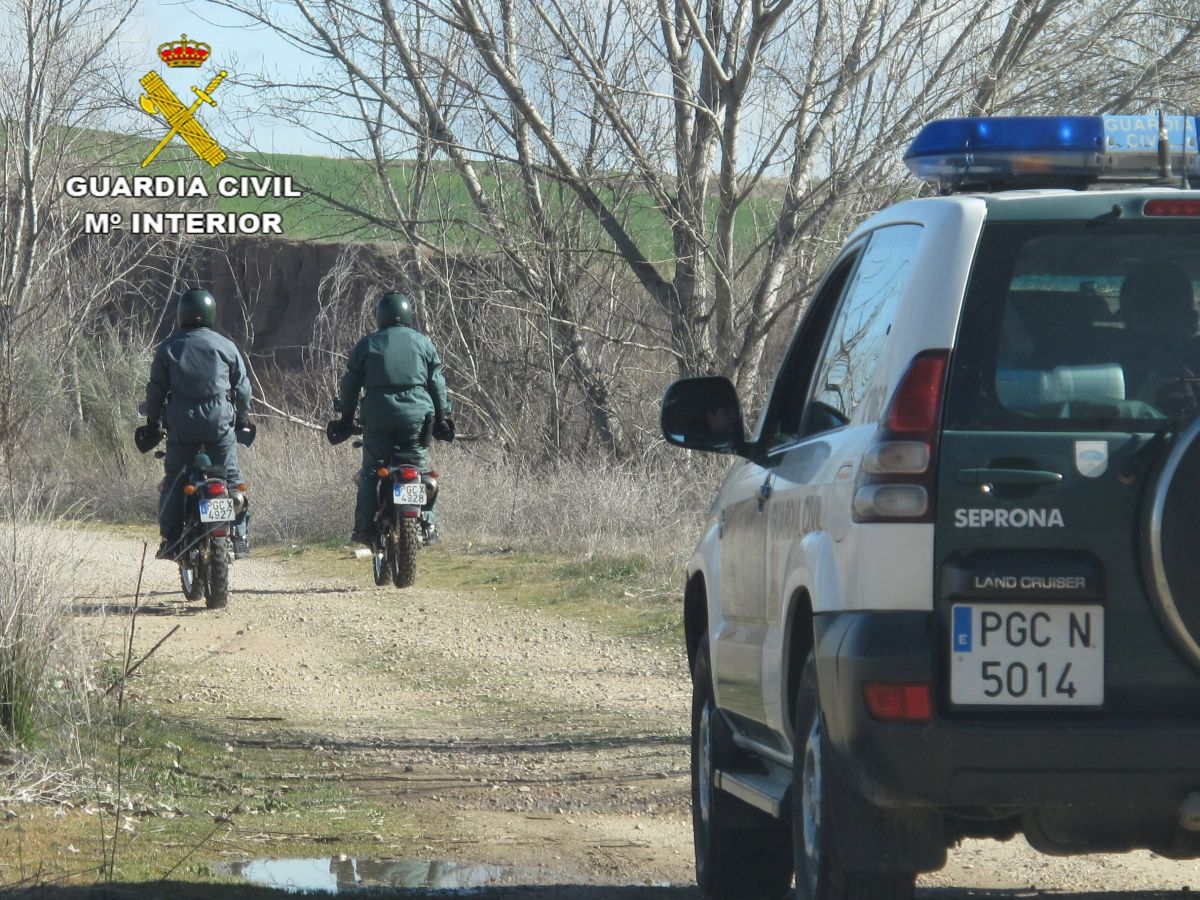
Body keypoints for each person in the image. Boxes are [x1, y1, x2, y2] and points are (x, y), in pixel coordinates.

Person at [328, 291, 453, 545]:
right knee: (419, 469)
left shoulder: (367, 345)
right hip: (417, 420)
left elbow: (350, 385)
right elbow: (436, 383)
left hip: (378, 419)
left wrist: (345, 418)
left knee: (372, 472)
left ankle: (364, 529)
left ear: (380, 316)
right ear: (408, 314)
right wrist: (442, 417)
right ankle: (428, 523)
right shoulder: (423, 343)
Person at [141, 288, 253, 560]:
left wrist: (153, 423)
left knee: (174, 480)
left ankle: (170, 539)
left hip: (182, 428)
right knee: (231, 479)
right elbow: (243, 388)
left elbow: (155, 391)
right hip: (219, 426)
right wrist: (242, 418)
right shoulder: (226, 346)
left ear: (182, 314)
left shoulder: (169, 348)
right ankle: (240, 535)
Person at [1119, 260, 1200, 416]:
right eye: (1147, 309)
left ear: (1191, 320)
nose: (1162, 321)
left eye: (1173, 311)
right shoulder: (1102, 368)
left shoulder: (1195, 360)